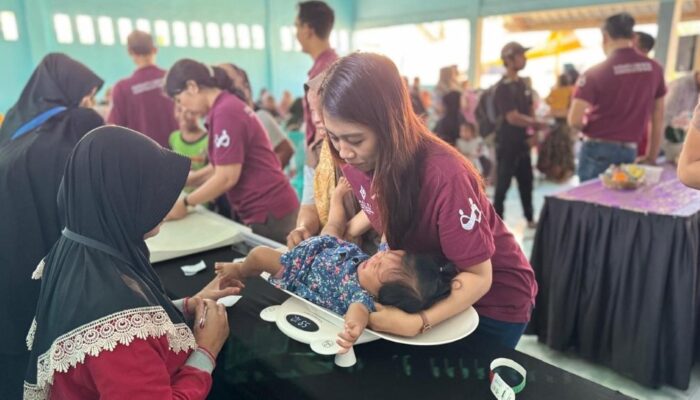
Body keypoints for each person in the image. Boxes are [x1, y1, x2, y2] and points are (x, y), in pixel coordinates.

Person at [319, 52, 537, 349]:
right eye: (333, 137)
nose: (344, 152)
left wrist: (419, 321)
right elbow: (381, 207)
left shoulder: (445, 176)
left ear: (390, 125)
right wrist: (341, 230)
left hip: (491, 304)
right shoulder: (358, 162)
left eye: (355, 140)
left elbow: (479, 275)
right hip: (425, 290)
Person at [23, 126, 239, 400]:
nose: (164, 203)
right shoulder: (114, 318)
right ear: (120, 196)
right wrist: (206, 352)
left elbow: (117, 329)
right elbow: (124, 339)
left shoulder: (77, 249)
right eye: (151, 191)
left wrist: (183, 308)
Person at [216, 177, 456, 352]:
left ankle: (240, 270)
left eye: (379, 271)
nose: (376, 260)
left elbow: (358, 314)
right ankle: (337, 197)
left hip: (296, 269)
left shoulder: (361, 297)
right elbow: (386, 237)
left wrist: (353, 328)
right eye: (384, 256)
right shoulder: (382, 260)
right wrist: (387, 204)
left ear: (382, 296)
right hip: (328, 246)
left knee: (259, 255)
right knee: (334, 224)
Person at [0, 53, 104, 400]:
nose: (89, 103)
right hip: (45, 256)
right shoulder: (75, 123)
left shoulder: (15, 122)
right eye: (87, 94)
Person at [164, 59, 299, 243]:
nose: (183, 107)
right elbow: (225, 163)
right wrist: (191, 179)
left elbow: (227, 176)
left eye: (179, 100)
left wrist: (187, 202)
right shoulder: (225, 107)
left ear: (192, 86)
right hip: (268, 209)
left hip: (271, 211)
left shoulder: (226, 112)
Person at [568, 13, 666, 181]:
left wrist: (589, 130)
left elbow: (574, 120)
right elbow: (658, 116)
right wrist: (651, 156)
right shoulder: (654, 69)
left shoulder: (595, 72)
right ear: (633, 37)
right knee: (621, 202)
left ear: (605, 37)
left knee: (591, 202)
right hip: (629, 150)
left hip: (597, 149)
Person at [493, 42, 545, 228]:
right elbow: (512, 117)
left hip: (523, 143)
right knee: (502, 185)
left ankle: (530, 218)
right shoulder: (502, 88)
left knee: (526, 182)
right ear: (509, 59)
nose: (525, 59)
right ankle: (496, 224)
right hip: (507, 144)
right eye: (520, 55)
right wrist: (535, 124)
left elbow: (529, 109)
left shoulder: (523, 84)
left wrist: (533, 132)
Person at [108, 30, 178, 148]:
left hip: (142, 156)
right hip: (178, 153)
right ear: (155, 49)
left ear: (130, 52)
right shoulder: (173, 77)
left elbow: (115, 128)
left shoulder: (122, 88)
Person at [218, 63, 295, 168]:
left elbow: (286, 150)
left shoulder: (259, 118)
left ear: (246, 88)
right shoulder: (221, 122)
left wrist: (265, 176)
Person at [296, 0, 338, 146]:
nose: (296, 34)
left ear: (307, 29)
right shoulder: (328, 66)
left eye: (297, 26)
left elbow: (325, 129)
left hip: (324, 157)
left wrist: (316, 163)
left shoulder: (325, 71)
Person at [169, 104, 208, 193]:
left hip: (203, 198)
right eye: (179, 110)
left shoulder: (209, 140)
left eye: (191, 112)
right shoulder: (173, 137)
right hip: (180, 195)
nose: (183, 116)